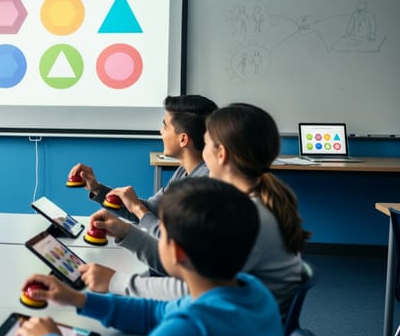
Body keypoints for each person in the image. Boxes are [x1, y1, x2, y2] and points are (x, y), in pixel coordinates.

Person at [17, 178, 285, 336]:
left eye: (162, 233)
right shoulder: (249, 289)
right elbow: (155, 312)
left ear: (177, 253)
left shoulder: (194, 331)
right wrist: (81, 300)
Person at [83, 103, 307, 314]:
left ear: (221, 154)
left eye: (207, 143)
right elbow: (186, 266)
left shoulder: (244, 216)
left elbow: (195, 289)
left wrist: (116, 281)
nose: (202, 152)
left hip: (236, 329)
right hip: (240, 317)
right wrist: (126, 233)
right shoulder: (246, 202)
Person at [68, 94, 217, 237]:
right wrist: (97, 189)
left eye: (165, 126)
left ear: (183, 139)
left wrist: (137, 209)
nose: (160, 131)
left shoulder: (204, 185)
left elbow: (171, 242)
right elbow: (151, 210)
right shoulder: (185, 172)